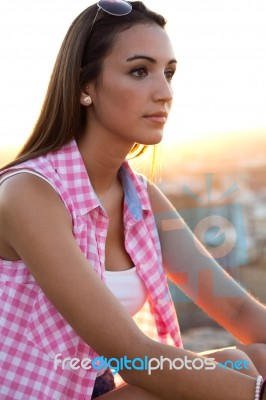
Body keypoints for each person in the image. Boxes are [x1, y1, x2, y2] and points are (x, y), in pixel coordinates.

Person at [0, 1, 265, 399]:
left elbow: (236, 311)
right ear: (84, 86)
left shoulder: (142, 199)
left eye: (169, 73)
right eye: (140, 71)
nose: (165, 92)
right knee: (237, 375)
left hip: (98, 388)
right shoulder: (29, 194)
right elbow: (131, 354)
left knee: (249, 358)